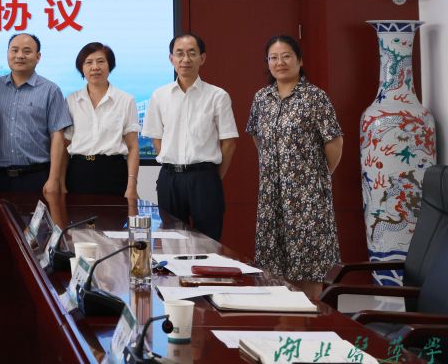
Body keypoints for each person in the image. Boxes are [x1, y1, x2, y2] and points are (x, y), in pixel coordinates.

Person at [246, 35, 343, 293]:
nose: (280, 62)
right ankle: (281, 316)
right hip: (271, 196)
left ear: (299, 61)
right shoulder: (261, 98)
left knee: (309, 264)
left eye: (286, 56)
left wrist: (317, 177)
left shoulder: (315, 97)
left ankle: (312, 315)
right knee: (273, 267)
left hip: (307, 198)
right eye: (273, 58)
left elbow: (334, 143)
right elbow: (258, 138)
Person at [141, 33, 237, 241]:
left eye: (192, 53)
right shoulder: (160, 95)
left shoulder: (217, 96)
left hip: (204, 178)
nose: (185, 59)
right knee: (172, 241)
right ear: (171, 59)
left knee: (209, 242)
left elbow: (229, 141)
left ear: (202, 58)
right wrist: (172, 162)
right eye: (180, 53)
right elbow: (156, 138)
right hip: (170, 179)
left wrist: (214, 176)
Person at [0, 33, 72, 194]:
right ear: (7, 53)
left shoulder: (50, 90)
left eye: (27, 51)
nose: (20, 56)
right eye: (14, 50)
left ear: (38, 57)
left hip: (36, 177)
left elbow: (57, 137)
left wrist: (54, 179)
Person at [63, 42, 140, 197]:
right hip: (78, 172)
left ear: (109, 66)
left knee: (115, 213)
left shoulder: (125, 100)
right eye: (88, 62)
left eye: (100, 61)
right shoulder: (71, 100)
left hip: (114, 172)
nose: (95, 67)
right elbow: (65, 146)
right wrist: (60, 181)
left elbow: (133, 147)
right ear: (81, 68)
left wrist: (132, 185)